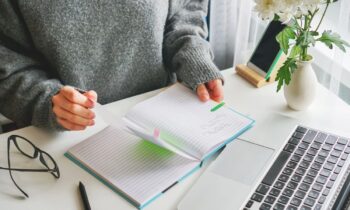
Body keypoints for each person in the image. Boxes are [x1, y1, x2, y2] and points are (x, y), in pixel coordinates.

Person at [0, 0, 224, 131]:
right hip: (64, 141)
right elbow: (7, 67)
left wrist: (194, 55)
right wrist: (48, 100)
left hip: (162, 117)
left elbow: (184, 11)